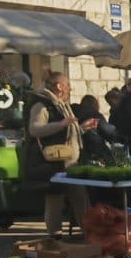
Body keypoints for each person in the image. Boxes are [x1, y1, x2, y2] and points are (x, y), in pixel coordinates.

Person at [22, 72, 90, 237]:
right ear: (59, 86)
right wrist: (61, 124)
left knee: (80, 197)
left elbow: (66, 133)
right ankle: (55, 237)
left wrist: (82, 128)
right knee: (54, 199)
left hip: (69, 164)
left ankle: (89, 234)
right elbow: (35, 129)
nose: (70, 88)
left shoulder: (59, 104)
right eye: (67, 84)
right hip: (52, 164)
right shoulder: (42, 104)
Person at [76, 95, 122, 166]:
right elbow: (108, 131)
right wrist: (122, 137)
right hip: (95, 150)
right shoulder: (94, 114)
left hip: (79, 151)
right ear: (95, 105)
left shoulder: (74, 113)